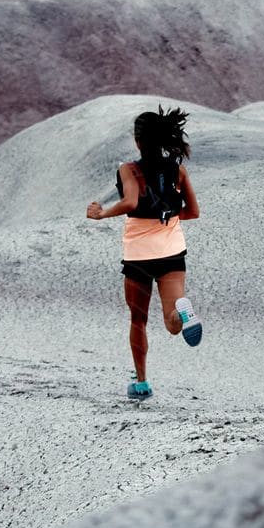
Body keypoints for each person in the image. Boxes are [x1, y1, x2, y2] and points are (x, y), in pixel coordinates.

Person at [86, 106, 202, 400]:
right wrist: (168, 218)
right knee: (170, 321)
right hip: (172, 251)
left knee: (138, 320)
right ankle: (182, 313)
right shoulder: (178, 170)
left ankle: (141, 383)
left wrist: (101, 214)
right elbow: (194, 212)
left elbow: (129, 202)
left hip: (139, 255)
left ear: (138, 141)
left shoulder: (130, 169)